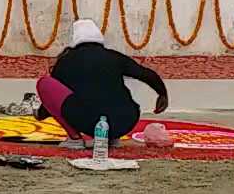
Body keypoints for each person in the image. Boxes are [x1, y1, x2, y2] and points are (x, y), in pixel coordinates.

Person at [35, 20, 170, 147]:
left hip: (89, 123)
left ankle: (74, 139)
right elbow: (145, 73)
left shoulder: (66, 60)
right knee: (107, 90)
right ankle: (111, 138)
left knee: (44, 83)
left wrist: (40, 114)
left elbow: (54, 96)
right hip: (125, 122)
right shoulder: (114, 57)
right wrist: (162, 93)